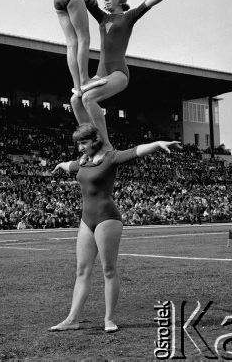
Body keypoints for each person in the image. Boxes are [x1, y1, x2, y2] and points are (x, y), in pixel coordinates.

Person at [49, 123, 181, 333]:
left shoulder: (110, 157)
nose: (80, 147)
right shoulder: (82, 162)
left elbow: (136, 151)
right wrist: (60, 165)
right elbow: (68, 165)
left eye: (84, 142)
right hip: (86, 221)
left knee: (108, 270)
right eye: (78, 144)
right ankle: (72, 319)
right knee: (82, 271)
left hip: (107, 219)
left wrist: (157, 144)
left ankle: (109, 319)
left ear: (95, 140)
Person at [71, 0, 192, 149]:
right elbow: (87, 0)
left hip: (118, 73)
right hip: (101, 73)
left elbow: (148, 4)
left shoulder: (128, 17)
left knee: (88, 98)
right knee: (75, 100)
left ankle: (105, 145)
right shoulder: (103, 17)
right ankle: (89, 142)